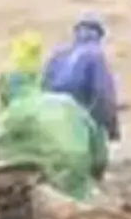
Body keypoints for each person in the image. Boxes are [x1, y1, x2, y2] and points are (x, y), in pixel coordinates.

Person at [42, 15, 121, 144]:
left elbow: (43, 86)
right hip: (80, 122)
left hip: (53, 121)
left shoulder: (58, 54)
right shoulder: (96, 55)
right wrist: (112, 128)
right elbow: (103, 93)